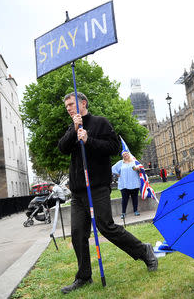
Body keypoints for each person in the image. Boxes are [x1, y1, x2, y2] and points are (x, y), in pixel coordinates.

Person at [58, 92, 158, 294]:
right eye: (66, 105)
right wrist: (75, 130)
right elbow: (62, 147)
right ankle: (84, 277)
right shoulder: (72, 127)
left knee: (106, 227)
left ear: (83, 103)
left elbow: (113, 147)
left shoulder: (100, 123)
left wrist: (88, 140)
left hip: (96, 186)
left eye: (71, 104)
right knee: (78, 233)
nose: (68, 108)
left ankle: (144, 251)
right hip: (78, 191)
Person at [112, 151, 141, 219]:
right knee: (124, 199)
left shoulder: (134, 161)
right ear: (122, 156)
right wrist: (117, 174)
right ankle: (123, 213)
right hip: (124, 184)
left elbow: (141, 168)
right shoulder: (120, 163)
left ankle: (136, 211)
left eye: (126, 154)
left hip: (134, 183)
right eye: (124, 154)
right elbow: (112, 169)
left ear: (129, 154)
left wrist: (137, 168)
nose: (125, 155)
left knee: (135, 198)